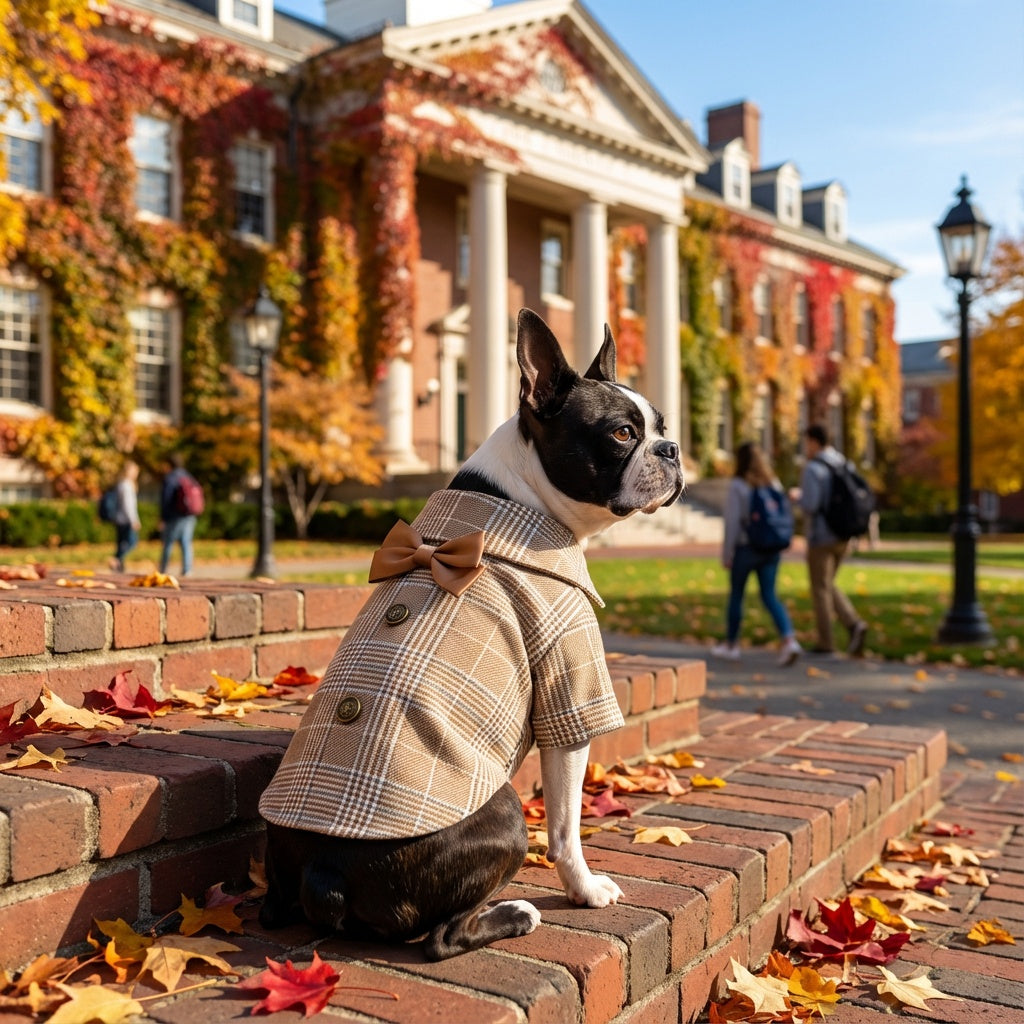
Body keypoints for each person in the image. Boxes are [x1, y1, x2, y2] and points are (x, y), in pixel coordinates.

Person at [711, 441, 802, 666]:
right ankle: (789, 639)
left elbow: (733, 522)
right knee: (770, 595)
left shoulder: (739, 485)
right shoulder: (772, 482)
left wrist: (727, 553)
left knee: (737, 595)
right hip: (771, 548)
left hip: (746, 547)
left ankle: (732, 645)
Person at [796, 424, 868, 656]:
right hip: (843, 534)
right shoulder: (843, 463)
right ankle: (854, 625)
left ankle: (827, 641)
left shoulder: (813, 468)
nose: (805, 447)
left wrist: (796, 497)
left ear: (814, 442)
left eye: (806, 442)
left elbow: (811, 504)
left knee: (820, 588)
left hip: (821, 535)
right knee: (827, 583)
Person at [159, 454, 198, 577]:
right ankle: (187, 570)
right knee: (186, 542)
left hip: (174, 516)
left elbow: (166, 499)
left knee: (168, 543)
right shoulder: (188, 476)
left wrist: (163, 517)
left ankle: (163, 569)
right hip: (189, 514)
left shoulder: (170, 478)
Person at [110, 460, 141, 573]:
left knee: (121, 543)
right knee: (132, 542)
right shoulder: (127, 485)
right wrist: (134, 520)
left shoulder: (121, 484)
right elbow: (128, 505)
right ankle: (116, 559)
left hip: (119, 519)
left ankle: (119, 567)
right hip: (126, 519)